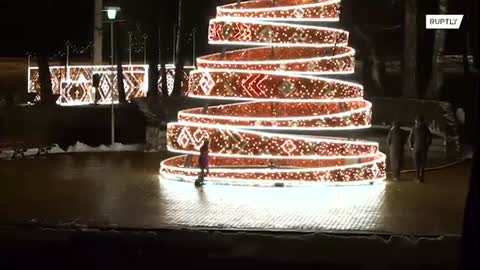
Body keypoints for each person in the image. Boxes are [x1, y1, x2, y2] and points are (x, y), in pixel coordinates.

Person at [408, 115, 432, 183]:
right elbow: (429, 138)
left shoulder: (414, 128)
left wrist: (411, 147)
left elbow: (410, 138)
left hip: (416, 148)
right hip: (423, 148)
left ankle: (417, 177)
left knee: (416, 163)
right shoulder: (426, 128)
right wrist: (426, 146)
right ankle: (421, 177)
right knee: (422, 163)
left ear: (416, 121)